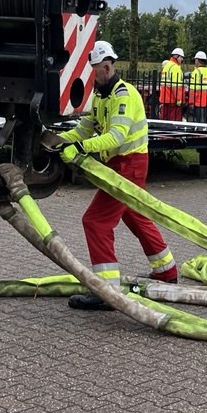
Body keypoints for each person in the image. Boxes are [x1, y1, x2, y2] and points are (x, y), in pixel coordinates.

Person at [53, 40, 178, 311]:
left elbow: (116, 136)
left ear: (107, 67)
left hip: (129, 165)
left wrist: (81, 148)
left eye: (95, 70)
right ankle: (167, 271)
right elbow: (85, 129)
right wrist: (57, 141)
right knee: (135, 217)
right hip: (123, 165)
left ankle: (106, 291)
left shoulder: (124, 95)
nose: (91, 76)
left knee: (95, 221)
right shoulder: (100, 97)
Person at [158, 47, 185, 121]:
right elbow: (176, 86)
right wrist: (179, 99)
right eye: (181, 57)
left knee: (165, 120)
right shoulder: (175, 68)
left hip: (164, 98)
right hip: (172, 100)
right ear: (176, 56)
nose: (182, 59)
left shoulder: (167, 66)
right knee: (174, 121)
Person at [187, 51, 207, 122]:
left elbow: (192, 90)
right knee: (204, 120)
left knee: (198, 120)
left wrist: (191, 102)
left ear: (198, 60)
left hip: (197, 101)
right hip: (206, 101)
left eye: (195, 60)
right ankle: (203, 131)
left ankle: (199, 131)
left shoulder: (196, 72)